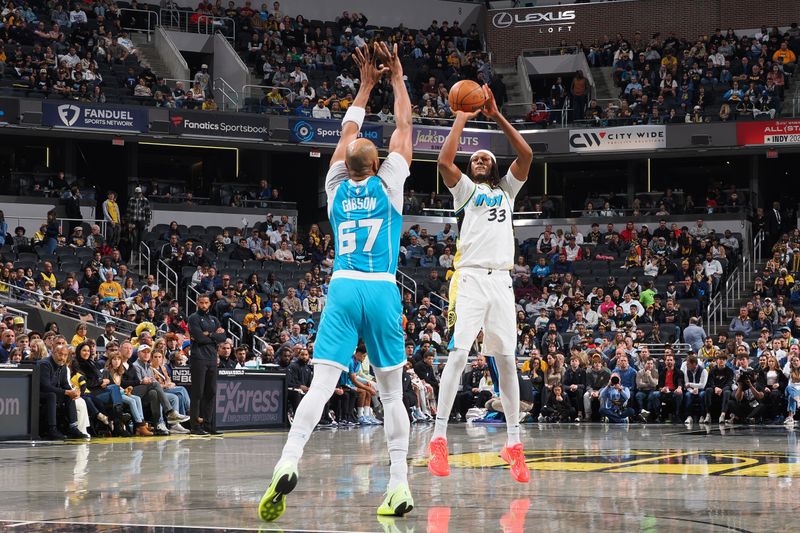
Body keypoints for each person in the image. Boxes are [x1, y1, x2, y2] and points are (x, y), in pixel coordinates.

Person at [260, 43, 414, 522]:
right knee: (391, 395)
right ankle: (398, 482)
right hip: (383, 286)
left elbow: (348, 130)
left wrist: (364, 86)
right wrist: (397, 80)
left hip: (343, 285)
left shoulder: (334, 187)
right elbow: (406, 128)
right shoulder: (390, 183)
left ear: (345, 166)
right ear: (378, 163)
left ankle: (288, 460)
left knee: (322, 385)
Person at [428, 82, 533, 484]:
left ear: (495, 166)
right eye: (475, 158)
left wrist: (496, 116)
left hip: (501, 282)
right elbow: (443, 160)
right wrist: (462, 117)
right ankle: (438, 438)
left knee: (506, 361)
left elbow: (526, 154)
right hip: (470, 277)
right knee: (457, 355)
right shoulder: (467, 193)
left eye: (486, 157)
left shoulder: (507, 191)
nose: (479, 160)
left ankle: (514, 443)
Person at [187, 294, 227, 435]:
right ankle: (195, 426)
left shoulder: (214, 319)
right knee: (198, 392)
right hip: (198, 358)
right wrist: (213, 336)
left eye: (206, 302)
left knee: (211, 391)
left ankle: (208, 424)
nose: (204, 305)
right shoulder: (193, 318)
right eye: (201, 302)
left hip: (211, 359)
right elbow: (199, 338)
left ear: (210, 304)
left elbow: (223, 337)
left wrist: (209, 335)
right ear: (197, 303)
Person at [38, 343, 88, 440]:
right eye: (60, 354)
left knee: (70, 395)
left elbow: (65, 384)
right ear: (53, 353)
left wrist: (73, 392)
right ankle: (52, 429)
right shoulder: (45, 364)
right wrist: (66, 392)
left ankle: (73, 427)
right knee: (52, 395)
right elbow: (45, 386)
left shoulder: (63, 366)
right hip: (39, 393)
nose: (63, 358)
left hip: (54, 393)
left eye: (65, 355)